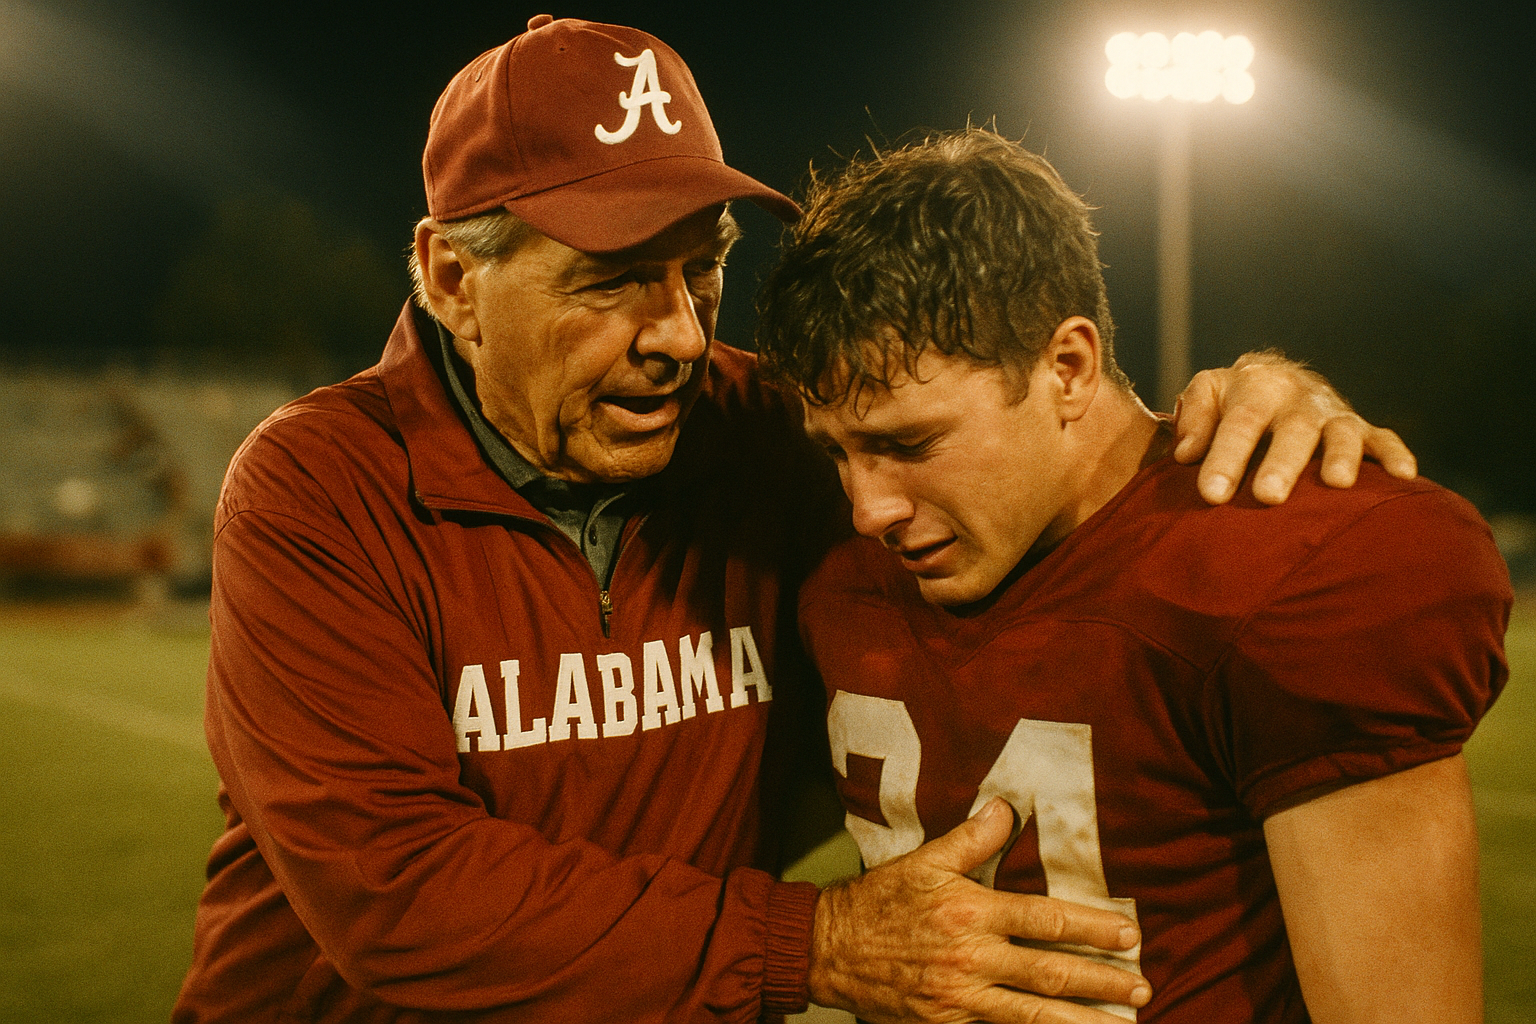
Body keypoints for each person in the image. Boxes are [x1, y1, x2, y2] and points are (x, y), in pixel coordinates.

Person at [175, 18, 1420, 1024]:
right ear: (454, 278)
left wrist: (1232, 410)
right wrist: (814, 943)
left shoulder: (775, 436)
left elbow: (1026, 462)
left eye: (701, 267)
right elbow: (396, 889)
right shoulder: (320, 489)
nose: (678, 333)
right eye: (613, 282)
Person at [754, 127, 1509, 1023]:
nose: (868, 509)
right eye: (837, 453)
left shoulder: (1291, 564)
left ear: (1067, 368)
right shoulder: (840, 571)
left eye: (910, 443)